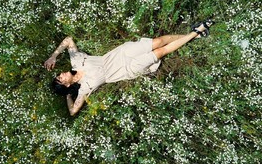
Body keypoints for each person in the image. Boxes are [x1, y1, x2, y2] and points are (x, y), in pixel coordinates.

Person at [44, 20, 214, 116]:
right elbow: (73, 111)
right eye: (60, 78)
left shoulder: (76, 61)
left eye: (58, 74)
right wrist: (67, 95)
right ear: (66, 85)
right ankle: (196, 32)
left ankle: (195, 35)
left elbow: (68, 40)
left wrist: (53, 56)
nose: (61, 73)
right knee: (161, 52)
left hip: (121, 53)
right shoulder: (84, 89)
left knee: (159, 41)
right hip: (129, 68)